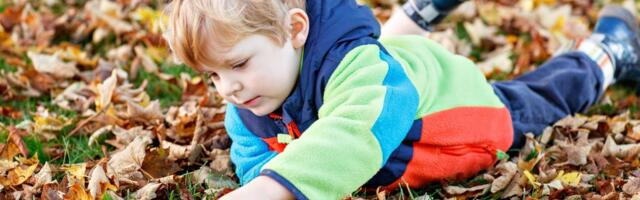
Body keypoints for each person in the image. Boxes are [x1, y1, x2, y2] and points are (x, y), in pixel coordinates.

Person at [162, 0, 640, 199]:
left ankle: (608, 51)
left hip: (453, 109)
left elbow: (354, 133)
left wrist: (275, 189)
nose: (228, 88)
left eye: (239, 65)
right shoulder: (251, 97)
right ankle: (417, 13)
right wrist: (258, 182)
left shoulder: (359, 73)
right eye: (212, 75)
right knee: (376, 58)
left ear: (294, 29)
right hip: (388, 68)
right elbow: (253, 156)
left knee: (536, 100)